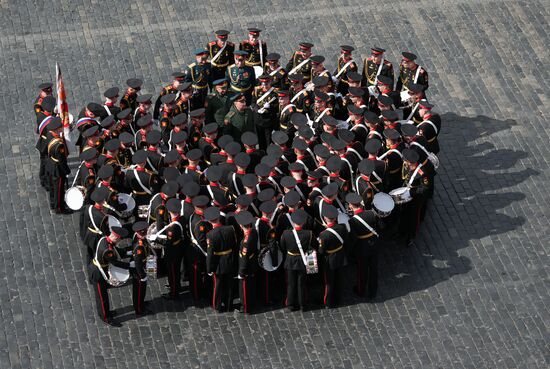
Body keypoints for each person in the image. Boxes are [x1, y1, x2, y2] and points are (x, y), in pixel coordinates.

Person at [88, 226, 131, 327]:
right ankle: (105, 317)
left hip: (98, 268)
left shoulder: (104, 239)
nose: (119, 241)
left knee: (103, 295)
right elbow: (115, 262)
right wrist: (129, 266)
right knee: (102, 297)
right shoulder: (108, 250)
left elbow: (116, 250)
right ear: (116, 238)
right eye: (119, 240)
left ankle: (105, 312)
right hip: (99, 273)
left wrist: (126, 252)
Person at [280, 209, 317, 311]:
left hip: (291, 260)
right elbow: (314, 246)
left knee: (291, 284)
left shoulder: (286, 233)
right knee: (302, 284)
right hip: (304, 260)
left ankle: (291, 305)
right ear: (304, 222)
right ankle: (302, 305)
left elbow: (283, 247)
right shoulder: (309, 234)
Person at [346, 193, 379, 298]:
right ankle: (373, 292)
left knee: (362, 271)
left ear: (351, 205)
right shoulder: (371, 213)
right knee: (374, 270)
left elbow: (354, 238)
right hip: (373, 245)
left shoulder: (352, 221)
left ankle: (361, 291)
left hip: (361, 248)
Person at [205, 206, 237, 312]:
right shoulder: (230, 229)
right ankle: (229, 305)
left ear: (210, 221)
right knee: (229, 285)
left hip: (218, 263)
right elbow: (234, 245)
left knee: (217, 287)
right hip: (230, 260)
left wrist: (209, 268)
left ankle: (217, 306)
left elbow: (210, 255)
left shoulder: (210, 235)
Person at [317, 204, 348, 308]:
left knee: (329, 282)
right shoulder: (342, 227)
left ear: (325, 218)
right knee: (339, 278)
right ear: (335, 218)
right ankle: (339, 298)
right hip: (341, 255)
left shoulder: (324, 234)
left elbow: (321, 251)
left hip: (330, 260)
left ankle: (328, 302)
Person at [45, 117, 71, 213]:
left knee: (52, 186)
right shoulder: (59, 145)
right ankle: (59, 208)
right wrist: (67, 171)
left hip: (50, 163)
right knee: (58, 189)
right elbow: (62, 161)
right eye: (61, 127)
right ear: (57, 129)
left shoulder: (49, 135)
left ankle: (53, 203)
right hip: (57, 168)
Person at [235, 211, 258, 314]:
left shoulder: (246, 241)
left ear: (240, 225)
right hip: (252, 262)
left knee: (244, 289)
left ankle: (246, 308)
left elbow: (244, 258)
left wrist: (241, 272)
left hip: (246, 266)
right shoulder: (253, 232)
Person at [131, 221, 153, 316]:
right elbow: (138, 264)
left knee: (140, 290)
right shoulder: (139, 247)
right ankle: (139, 309)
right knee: (139, 290)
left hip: (142, 265)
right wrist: (142, 275)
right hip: (139, 271)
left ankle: (140, 303)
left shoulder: (137, 236)